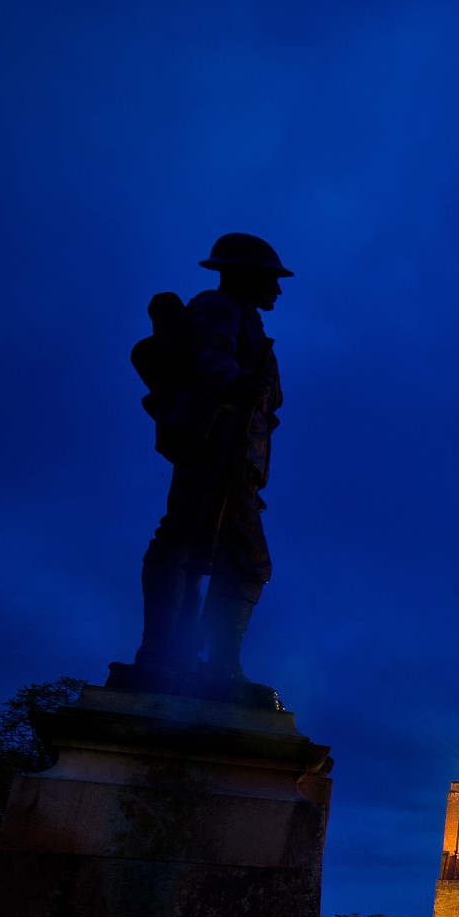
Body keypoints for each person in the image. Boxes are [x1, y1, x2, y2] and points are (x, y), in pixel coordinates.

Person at [128, 232, 289, 690]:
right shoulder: (218, 307)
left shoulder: (253, 324)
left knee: (238, 557)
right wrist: (237, 385)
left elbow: (268, 404)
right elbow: (212, 359)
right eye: (271, 280)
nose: (277, 290)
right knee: (187, 541)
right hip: (215, 444)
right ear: (247, 276)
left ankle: (216, 664)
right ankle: (161, 655)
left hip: (243, 460)